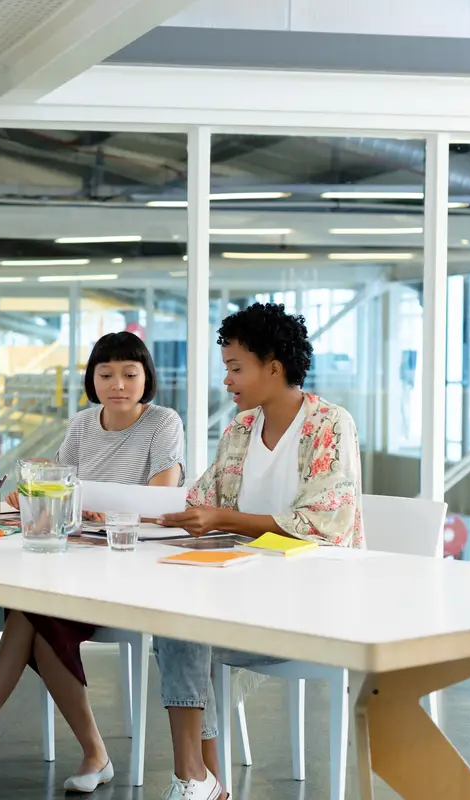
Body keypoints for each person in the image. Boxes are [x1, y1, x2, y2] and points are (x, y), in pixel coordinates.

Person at [0, 331, 184, 793]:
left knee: (34, 616)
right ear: (92, 378)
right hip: (80, 559)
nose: (117, 384)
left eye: (129, 373)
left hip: (134, 563)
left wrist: (108, 510)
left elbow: (163, 497)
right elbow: (50, 491)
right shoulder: (82, 425)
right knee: (31, 611)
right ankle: (86, 751)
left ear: (147, 378)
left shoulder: (163, 422)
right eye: (106, 374)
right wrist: (11, 497)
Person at [154, 302, 364, 800]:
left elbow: (324, 524)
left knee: (182, 629)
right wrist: (131, 514)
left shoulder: (329, 424)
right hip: (242, 596)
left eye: (235, 368)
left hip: (311, 609)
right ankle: (197, 779)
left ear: (273, 366)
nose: (227, 380)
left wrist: (224, 520)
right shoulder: (240, 430)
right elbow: (201, 501)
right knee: (176, 625)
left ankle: (198, 779)